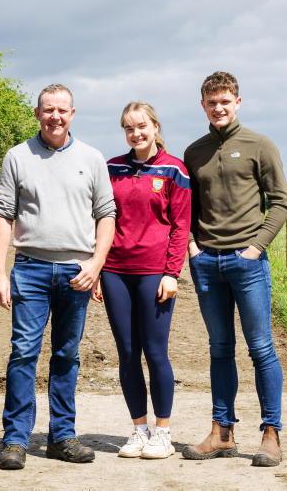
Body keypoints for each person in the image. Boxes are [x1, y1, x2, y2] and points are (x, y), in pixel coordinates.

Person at [0, 84, 116, 470]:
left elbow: (106, 215)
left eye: (62, 110)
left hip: (77, 273)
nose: (55, 116)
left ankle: (62, 436)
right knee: (24, 353)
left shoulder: (92, 158)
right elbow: (3, 216)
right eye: (48, 110)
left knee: (66, 354)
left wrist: (95, 265)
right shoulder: (17, 157)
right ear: (37, 113)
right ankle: (15, 440)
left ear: (73, 114)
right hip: (30, 268)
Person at [182, 71, 287, 467]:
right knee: (220, 349)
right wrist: (193, 247)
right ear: (203, 106)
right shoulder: (194, 152)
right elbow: (187, 208)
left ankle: (271, 433)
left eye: (225, 101)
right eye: (212, 102)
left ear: (238, 102)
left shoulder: (259, 145)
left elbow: (281, 202)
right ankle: (222, 431)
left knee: (261, 347)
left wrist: (255, 247)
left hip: (247, 263)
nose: (219, 108)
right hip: (207, 263)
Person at [94, 102, 191, 459]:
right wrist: (98, 269)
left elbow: (181, 225)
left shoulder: (174, 170)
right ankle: (139, 429)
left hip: (154, 272)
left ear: (154, 126)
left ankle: (162, 432)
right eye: (129, 128)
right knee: (127, 353)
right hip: (116, 271)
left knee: (155, 352)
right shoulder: (111, 168)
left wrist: (172, 272)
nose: (136, 134)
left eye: (141, 126)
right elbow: (101, 218)